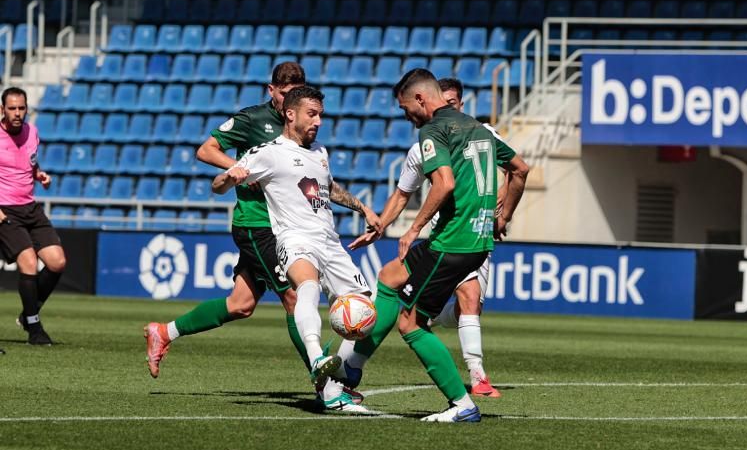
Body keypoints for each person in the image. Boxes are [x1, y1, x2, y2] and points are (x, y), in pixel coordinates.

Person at [336, 69, 529, 422]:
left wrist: (413, 229)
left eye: (406, 108)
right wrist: (503, 218)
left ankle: (462, 404)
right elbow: (520, 169)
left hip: (453, 241)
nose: (406, 116)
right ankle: (350, 371)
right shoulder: (477, 128)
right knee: (389, 276)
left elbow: (444, 183)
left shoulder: (434, 130)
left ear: (421, 99)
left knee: (411, 323)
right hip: (474, 238)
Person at [213, 86, 380, 413]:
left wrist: (364, 209)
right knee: (307, 286)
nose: (318, 121)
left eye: (320, 115)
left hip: (329, 241)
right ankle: (318, 358)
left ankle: (341, 370)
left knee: (367, 307)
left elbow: (326, 188)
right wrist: (230, 177)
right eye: (311, 114)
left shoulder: (320, 152)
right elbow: (218, 186)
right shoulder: (268, 152)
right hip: (294, 237)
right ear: (290, 114)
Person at [144, 63, 314, 378]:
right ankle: (326, 382)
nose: (290, 103)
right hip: (258, 224)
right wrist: (238, 167)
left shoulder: (303, 124)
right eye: (285, 95)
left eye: (297, 95)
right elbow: (206, 150)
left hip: (285, 224)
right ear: (271, 90)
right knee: (294, 296)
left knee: (240, 304)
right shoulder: (252, 119)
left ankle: (163, 332)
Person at [0, 87, 66, 346]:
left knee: (57, 262)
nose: (17, 113)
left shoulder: (32, 132)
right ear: (2, 110)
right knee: (28, 262)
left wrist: (39, 174)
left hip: (30, 207)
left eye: (21, 108)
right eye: (12, 108)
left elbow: (29, 163)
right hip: (5, 209)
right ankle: (35, 330)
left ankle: (29, 313)